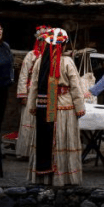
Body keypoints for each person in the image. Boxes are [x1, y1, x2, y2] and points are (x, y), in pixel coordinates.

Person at [26, 27, 86, 187]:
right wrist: (80, 107)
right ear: (64, 45)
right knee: (61, 141)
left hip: (44, 107)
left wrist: (32, 105)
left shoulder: (40, 61)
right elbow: (76, 87)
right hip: (64, 108)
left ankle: (44, 178)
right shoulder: (67, 62)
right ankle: (63, 177)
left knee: (45, 141)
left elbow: (33, 86)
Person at [15, 26, 51, 158]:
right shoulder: (31, 55)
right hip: (31, 93)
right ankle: (27, 152)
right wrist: (23, 95)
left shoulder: (53, 56)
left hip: (47, 93)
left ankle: (42, 152)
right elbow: (23, 75)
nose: (44, 43)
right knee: (29, 120)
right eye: (42, 40)